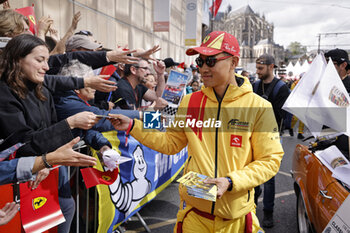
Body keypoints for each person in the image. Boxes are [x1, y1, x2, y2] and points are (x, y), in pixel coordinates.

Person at [108, 31, 283, 232]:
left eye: (210, 61)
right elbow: (171, 142)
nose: (203, 68)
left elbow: (270, 160)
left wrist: (231, 181)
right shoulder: (190, 101)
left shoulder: (259, 106)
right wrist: (132, 126)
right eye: (200, 61)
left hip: (236, 221)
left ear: (233, 62)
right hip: (194, 218)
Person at [0, 34, 101, 233]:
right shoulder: (4, 94)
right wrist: (44, 159)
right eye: (40, 60)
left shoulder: (41, 89)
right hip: (13, 180)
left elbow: (50, 125)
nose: (46, 67)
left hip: (45, 166)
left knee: (65, 208)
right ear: (17, 60)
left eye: (47, 60)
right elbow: (23, 144)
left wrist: (47, 161)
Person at [253, 53, 290, 228]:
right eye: (257, 68)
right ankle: (252, 202)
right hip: (253, 135)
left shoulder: (281, 88)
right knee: (250, 170)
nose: (257, 71)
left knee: (269, 178)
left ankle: (268, 212)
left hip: (271, 136)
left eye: (261, 68)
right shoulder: (255, 85)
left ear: (271, 66)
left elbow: (280, 117)